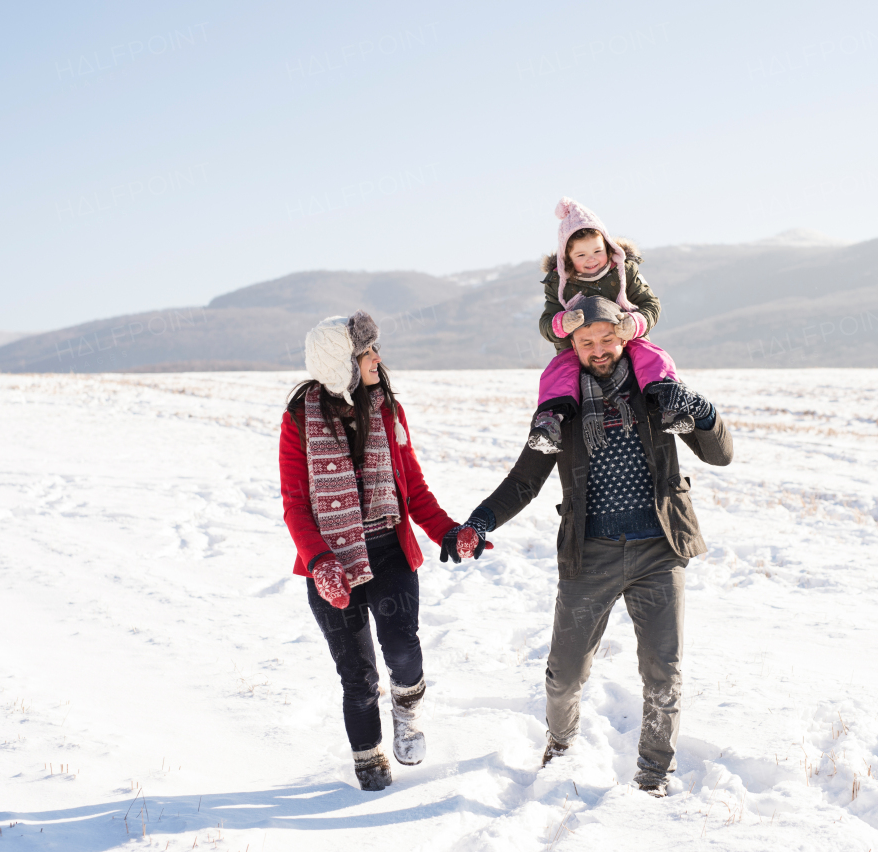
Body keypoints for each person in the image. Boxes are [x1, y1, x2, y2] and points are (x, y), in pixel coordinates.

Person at [452, 296, 733, 797]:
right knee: (564, 676)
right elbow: (524, 479)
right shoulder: (561, 410)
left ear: (625, 338)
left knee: (663, 675)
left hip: (658, 550)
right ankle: (560, 748)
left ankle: (653, 775)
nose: (599, 350)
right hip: (591, 554)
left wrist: (702, 410)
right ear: (572, 345)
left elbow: (721, 453)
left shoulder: (657, 394)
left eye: (608, 339)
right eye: (587, 343)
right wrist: (480, 521)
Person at [278, 311, 491, 791]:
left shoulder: (389, 412)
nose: (377, 358)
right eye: (366, 351)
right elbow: (295, 506)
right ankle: (369, 760)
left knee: (403, 649)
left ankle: (407, 708)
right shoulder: (298, 421)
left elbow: (413, 489)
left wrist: (449, 532)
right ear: (342, 364)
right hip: (330, 564)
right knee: (356, 674)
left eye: (375, 349)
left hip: (387, 552)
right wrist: (320, 562)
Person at [528, 197, 692, 454]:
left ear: (607, 246)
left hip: (625, 335)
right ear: (567, 258)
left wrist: (637, 323)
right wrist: (562, 322)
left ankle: (670, 403)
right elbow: (546, 323)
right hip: (579, 345)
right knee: (559, 371)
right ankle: (550, 421)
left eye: (597, 251)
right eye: (581, 255)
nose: (591, 259)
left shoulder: (623, 270)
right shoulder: (558, 282)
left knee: (653, 357)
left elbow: (651, 304)